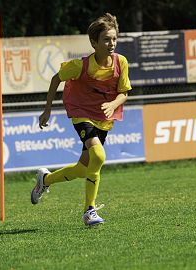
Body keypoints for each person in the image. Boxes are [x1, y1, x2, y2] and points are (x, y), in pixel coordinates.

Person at [32, 13, 131, 226]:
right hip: (81, 113)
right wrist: (47, 110)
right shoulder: (80, 66)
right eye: (106, 39)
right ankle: (89, 210)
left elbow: (124, 92)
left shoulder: (121, 62)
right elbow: (55, 79)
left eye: (114, 39)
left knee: (83, 168)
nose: (112, 43)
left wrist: (113, 104)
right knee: (99, 155)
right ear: (94, 43)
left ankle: (45, 180)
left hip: (103, 118)